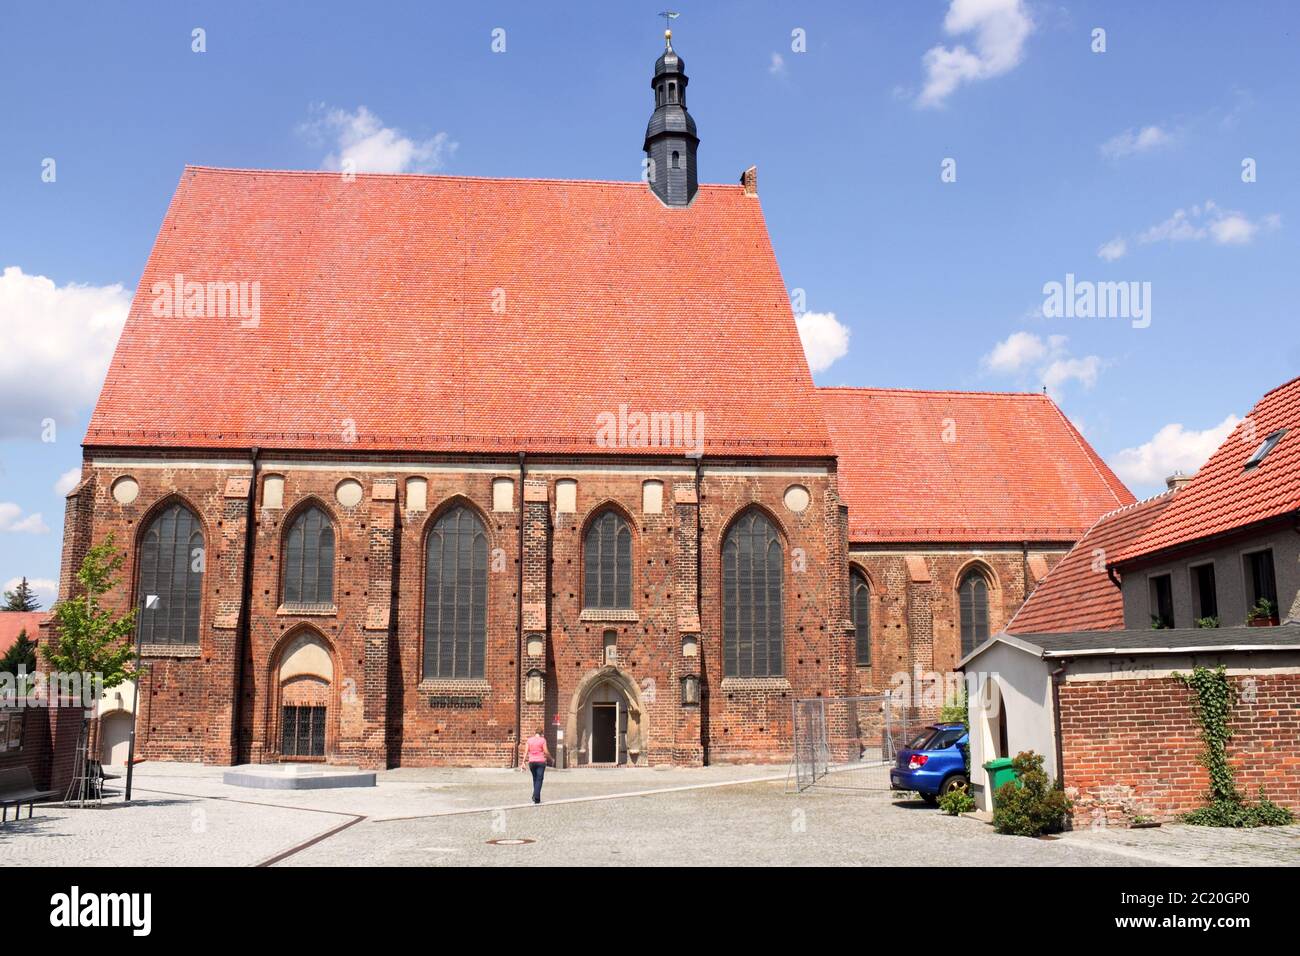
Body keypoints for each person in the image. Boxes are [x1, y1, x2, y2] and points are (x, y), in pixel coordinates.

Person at [524, 726, 551, 804]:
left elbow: (526, 752)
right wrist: (551, 758)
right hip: (540, 762)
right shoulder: (542, 740)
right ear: (542, 733)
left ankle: (537, 798)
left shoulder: (529, 740)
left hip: (531, 762)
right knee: (539, 779)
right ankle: (536, 796)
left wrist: (523, 762)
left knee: (535, 779)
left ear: (535, 733)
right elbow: (545, 751)